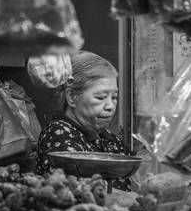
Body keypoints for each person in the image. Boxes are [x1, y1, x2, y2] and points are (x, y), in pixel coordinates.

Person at [35, 50, 131, 191]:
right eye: (100, 97)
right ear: (72, 97)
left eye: (114, 97)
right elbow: (83, 191)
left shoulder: (108, 138)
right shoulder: (58, 135)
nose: (110, 106)